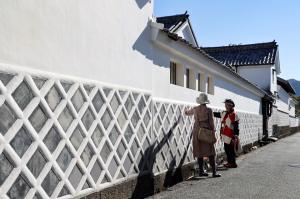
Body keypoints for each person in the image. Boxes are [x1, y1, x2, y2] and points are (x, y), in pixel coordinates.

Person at [184, 93, 221, 177]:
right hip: (206, 131)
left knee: (199, 151)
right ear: (206, 102)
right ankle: (214, 172)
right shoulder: (209, 110)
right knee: (211, 152)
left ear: (199, 101)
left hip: (197, 131)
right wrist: (213, 132)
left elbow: (187, 113)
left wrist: (185, 110)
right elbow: (211, 123)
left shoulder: (195, 109)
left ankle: (201, 171)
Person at [214, 99, 239, 168]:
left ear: (231, 106)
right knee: (227, 149)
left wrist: (236, 134)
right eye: (225, 104)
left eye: (227, 105)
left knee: (230, 150)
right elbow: (218, 114)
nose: (225, 106)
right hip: (225, 133)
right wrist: (210, 112)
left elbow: (236, 125)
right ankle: (229, 162)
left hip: (231, 134)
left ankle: (233, 163)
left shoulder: (234, 114)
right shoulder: (224, 113)